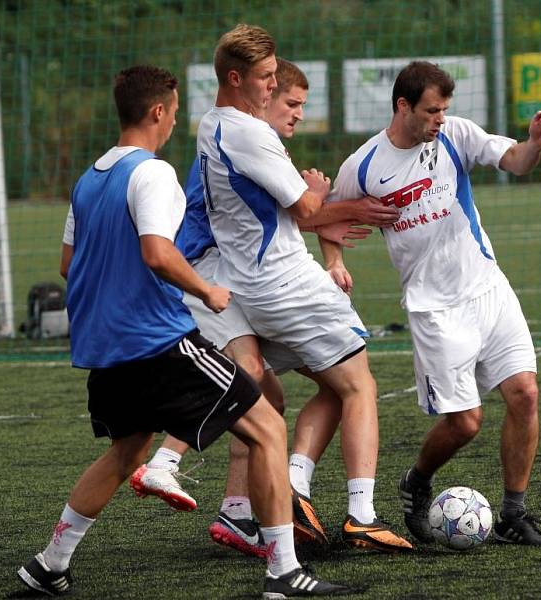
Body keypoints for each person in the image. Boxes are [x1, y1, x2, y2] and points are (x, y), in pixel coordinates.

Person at [16, 65, 349, 598]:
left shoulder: (89, 179)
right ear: (157, 112)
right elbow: (158, 252)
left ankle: (49, 564)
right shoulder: (152, 174)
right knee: (266, 426)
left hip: (107, 350)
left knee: (125, 453)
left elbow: (67, 263)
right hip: (157, 344)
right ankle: (284, 573)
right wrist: (207, 291)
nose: (174, 122)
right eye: (171, 112)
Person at [130, 58, 397, 557]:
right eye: (289, 103)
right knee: (255, 378)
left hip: (224, 278)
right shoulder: (244, 141)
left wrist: (326, 237)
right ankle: (171, 461)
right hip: (206, 274)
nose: (296, 113)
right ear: (260, 101)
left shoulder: (245, 144)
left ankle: (238, 512)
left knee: (262, 397)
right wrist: (335, 209)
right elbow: (297, 214)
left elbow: (287, 221)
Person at [323, 61, 541, 547]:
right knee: (464, 423)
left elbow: (513, 160)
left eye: (444, 109)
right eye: (431, 110)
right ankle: (417, 482)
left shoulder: (454, 134)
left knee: (526, 394)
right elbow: (327, 216)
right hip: (435, 308)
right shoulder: (364, 165)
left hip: (488, 287)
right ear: (402, 106)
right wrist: (333, 261)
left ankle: (513, 513)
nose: (440, 119)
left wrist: (534, 144)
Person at [196, 24, 412, 554]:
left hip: (253, 287)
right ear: (235, 77)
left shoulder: (212, 125)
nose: (272, 88)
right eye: (267, 79)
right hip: (287, 283)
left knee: (329, 388)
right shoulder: (250, 134)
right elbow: (307, 208)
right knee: (360, 385)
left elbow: (286, 212)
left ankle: (292, 489)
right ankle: (361, 514)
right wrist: (350, 207)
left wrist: (318, 216)